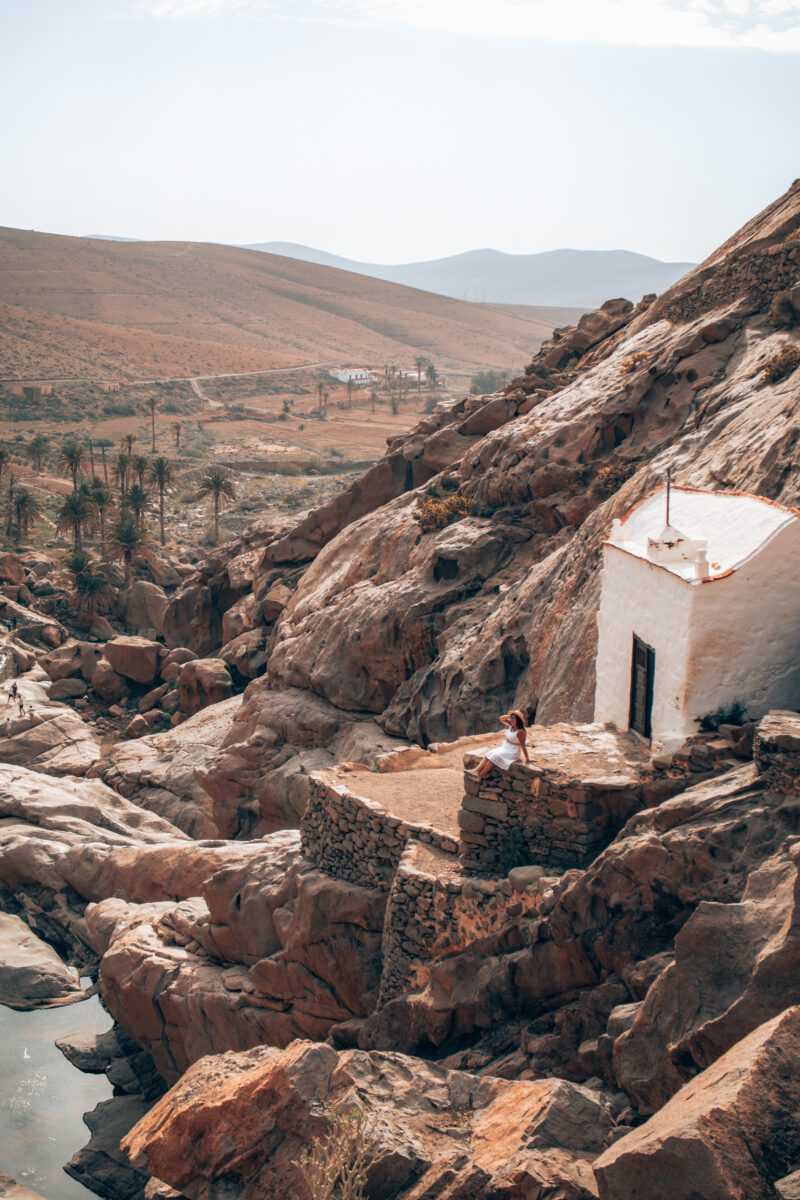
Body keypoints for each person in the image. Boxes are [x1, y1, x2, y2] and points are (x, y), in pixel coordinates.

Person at [476, 709, 530, 778]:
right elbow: (501, 718)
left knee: (495, 757)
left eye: (513, 718)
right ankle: (476, 770)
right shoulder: (511, 725)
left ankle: (480, 776)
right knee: (489, 753)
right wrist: (510, 715)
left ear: (518, 720)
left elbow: (523, 746)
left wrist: (527, 758)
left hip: (513, 751)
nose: (511, 719)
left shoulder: (521, 732)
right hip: (505, 747)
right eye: (511, 718)